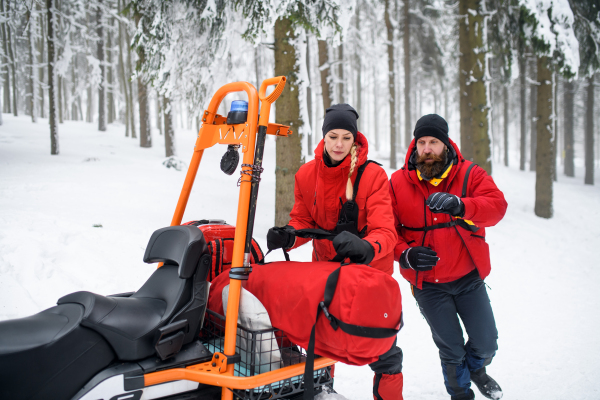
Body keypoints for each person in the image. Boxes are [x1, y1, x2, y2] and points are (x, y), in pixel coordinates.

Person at [267, 104, 404, 400]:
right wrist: (289, 236)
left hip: (368, 276)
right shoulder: (306, 174)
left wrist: (366, 246)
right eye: (333, 136)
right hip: (326, 275)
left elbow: (386, 232)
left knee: (384, 353)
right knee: (321, 343)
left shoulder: (373, 175)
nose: (339, 144)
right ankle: (322, 393)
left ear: (354, 139)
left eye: (346, 137)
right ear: (323, 137)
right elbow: (303, 220)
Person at [389, 114, 508, 400]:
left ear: (446, 144)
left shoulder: (470, 174)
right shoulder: (397, 182)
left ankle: (477, 370)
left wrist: (462, 205)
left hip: (468, 277)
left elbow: (497, 207)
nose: (427, 149)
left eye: (434, 142)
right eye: (422, 142)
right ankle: (461, 394)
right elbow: (385, 229)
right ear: (415, 145)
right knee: (452, 350)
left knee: (487, 343)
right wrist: (405, 254)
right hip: (428, 285)